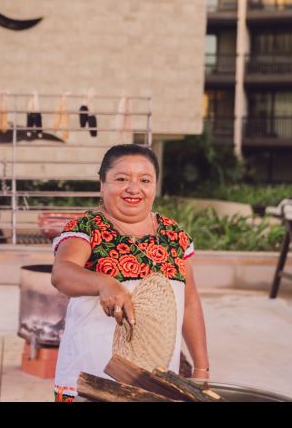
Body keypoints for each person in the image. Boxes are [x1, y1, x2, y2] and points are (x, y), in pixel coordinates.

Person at [50, 144, 209, 402]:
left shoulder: (174, 235)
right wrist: (105, 284)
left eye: (145, 180)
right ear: (102, 184)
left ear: (155, 185)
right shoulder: (88, 227)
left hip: (153, 387)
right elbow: (62, 273)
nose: (134, 188)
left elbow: (190, 303)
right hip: (89, 384)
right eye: (121, 179)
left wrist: (201, 370)